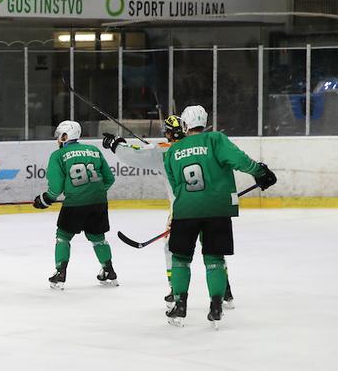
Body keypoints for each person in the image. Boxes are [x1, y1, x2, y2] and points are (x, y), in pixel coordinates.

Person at [103, 115, 235, 308]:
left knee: (173, 250)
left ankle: (176, 291)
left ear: (169, 133)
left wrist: (116, 144)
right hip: (212, 206)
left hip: (184, 210)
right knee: (215, 251)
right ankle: (225, 293)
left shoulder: (165, 152)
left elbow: (135, 156)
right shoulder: (204, 148)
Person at [162, 105, 276, 328]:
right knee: (214, 258)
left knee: (180, 259)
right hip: (218, 209)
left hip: (186, 210)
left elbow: (176, 186)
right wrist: (260, 172)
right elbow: (240, 161)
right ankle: (216, 305)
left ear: (184, 124)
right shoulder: (215, 139)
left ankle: (180, 304)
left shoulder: (172, 152)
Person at [33, 120, 117, 289]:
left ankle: (60, 273)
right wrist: (94, 192)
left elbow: (55, 188)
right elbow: (109, 179)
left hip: (75, 204)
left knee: (63, 236)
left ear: (65, 136)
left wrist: (45, 199)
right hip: (98, 202)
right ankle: (109, 271)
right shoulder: (94, 150)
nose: (58, 139)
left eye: (59, 135)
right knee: (98, 238)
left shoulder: (58, 155)